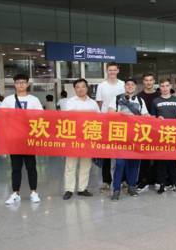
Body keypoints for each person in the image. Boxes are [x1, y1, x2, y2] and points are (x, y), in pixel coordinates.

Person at [1, 73, 43, 205]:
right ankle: (15, 193)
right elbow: (2, 117)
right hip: (15, 139)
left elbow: (41, 116)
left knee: (31, 166)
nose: (21, 84)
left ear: (27, 84)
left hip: (29, 138)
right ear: (14, 84)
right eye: (18, 82)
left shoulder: (34, 100)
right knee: (15, 167)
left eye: (23, 82)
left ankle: (34, 192)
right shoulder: (8, 100)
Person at [108, 78, 149, 200]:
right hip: (120, 136)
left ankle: (132, 186)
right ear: (124, 86)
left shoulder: (140, 100)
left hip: (135, 137)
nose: (130, 86)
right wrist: (122, 115)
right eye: (128, 84)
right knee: (120, 163)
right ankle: (116, 189)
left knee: (134, 164)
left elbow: (145, 116)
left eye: (132, 84)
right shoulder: (117, 99)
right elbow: (109, 113)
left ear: (135, 87)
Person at [62, 79, 100, 200]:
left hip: (88, 137)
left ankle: (82, 189)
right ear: (74, 89)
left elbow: (99, 119)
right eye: (77, 87)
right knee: (70, 165)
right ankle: (69, 189)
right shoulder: (70, 102)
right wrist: (87, 113)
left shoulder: (93, 103)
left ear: (87, 88)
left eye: (83, 87)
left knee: (86, 164)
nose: (80, 89)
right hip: (73, 137)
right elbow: (68, 116)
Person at [150, 78, 176, 194]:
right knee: (161, 161)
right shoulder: (155, 101)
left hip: (174, 135)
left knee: (174, 160)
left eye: (167, 86)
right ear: (160, 88)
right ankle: (161, 184)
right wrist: (158, 119)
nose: (165, 88)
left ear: (170, 87)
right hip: (161, 136)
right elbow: (153, 118)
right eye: (162, 86)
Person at [95, 62, 125, 192]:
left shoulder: (123, 84)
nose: (112, 72)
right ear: (107, 71)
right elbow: (100, 103)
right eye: (110, 70)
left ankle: (123, 179)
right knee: (105, 152)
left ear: (118, 71)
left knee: (121, 151)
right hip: (105, 121)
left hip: (121, 122)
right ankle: (106, 181)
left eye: (114, 70)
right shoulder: (102, 85)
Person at [137, 73, 160, 192]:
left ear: (154, 81)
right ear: (143, 82)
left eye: (151, 80)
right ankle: (143, 181)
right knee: (144, 157)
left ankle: (157, 180)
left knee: (157, 156)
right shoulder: (138, 96)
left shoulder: (159, 95)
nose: (149, 82)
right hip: (144, 131)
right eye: (146, 80)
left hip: (158, 131)